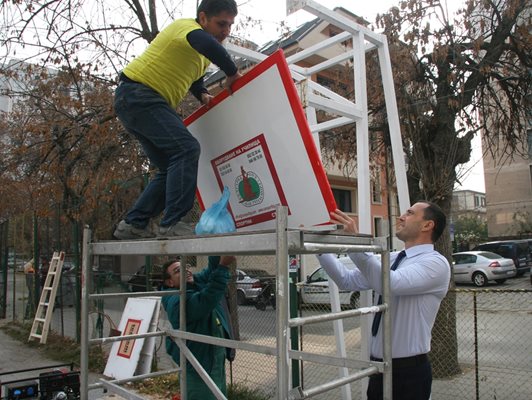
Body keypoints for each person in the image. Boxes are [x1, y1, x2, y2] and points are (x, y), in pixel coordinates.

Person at [113, 0, 242, 240]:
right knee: (186, 149)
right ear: (202, 18)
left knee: (168, 167)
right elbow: (204, 42)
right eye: (221, 24)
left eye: (230, 25)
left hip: (136, 101)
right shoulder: (185, 28)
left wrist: (202, 94)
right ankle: (173, 223)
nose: (226, 31)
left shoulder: (200, 55)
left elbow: (194, 79)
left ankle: (133, 223)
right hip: (140, 94)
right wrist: (232, 72)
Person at [318, 202, 450, 400]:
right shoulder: (394, 258)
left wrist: (356, 243)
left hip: (409, 374)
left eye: (410, 213)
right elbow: (346, 280)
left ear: (427, 225)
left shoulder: (436, 263)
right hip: (379, 369)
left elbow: (390, 284)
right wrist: (318, 246)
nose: (401, 217)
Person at [161, 256, 236, 399]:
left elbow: (211, 271)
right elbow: (207, 299)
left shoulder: (191, 283)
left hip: (214, 358)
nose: (186, 271)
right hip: (199, 365)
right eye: (178, 270)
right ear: (170, 282)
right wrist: (223, 267)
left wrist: (217, 249)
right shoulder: (176, 301)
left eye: (187, 267)